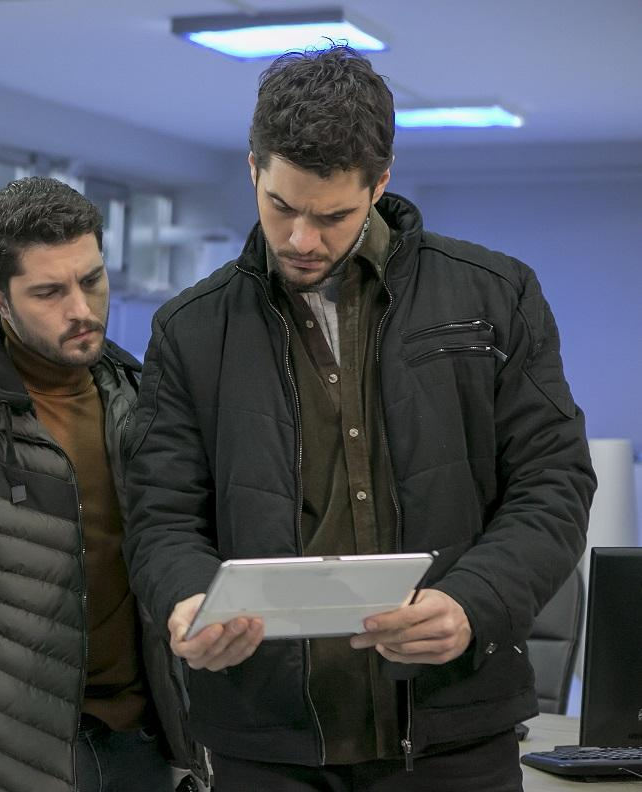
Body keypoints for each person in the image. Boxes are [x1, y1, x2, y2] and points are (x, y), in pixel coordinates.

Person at [122, 45, 596, 791]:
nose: (301, 240)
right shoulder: (189, 329)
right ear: (253, 169)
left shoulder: (493, 295)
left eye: (333, 215)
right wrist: (186, 598)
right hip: (265, 738)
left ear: (380, 183)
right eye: (281, 206)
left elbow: (554, 483)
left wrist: (472, 603)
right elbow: (160, 514)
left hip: (451, 732)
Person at [0, 176, 203, 792]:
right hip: (14, 755)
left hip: (144, 743)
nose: (81, 310)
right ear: (0, 300)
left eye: (92, 280)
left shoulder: (139, 400)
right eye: (49, 292)